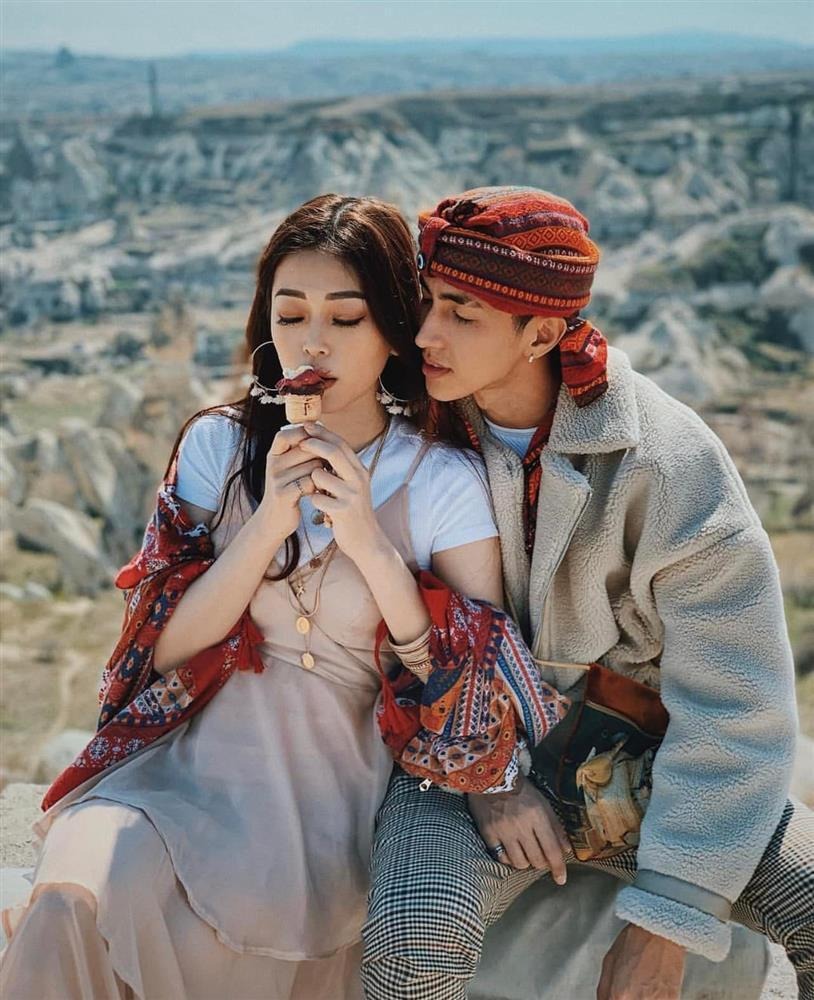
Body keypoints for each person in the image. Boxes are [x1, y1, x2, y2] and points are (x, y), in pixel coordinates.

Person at [0, 194, 568, 999]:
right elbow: (158, 647)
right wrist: (266, 523)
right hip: (179, 775)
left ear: (393, 329)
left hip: (325, 801)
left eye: (346, 318)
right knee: (69, 897)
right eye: (291, 314)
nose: (313, 341)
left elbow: (471, 679)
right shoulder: (219, 445)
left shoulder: (442, 480)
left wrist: (368, 541)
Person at [361, 187, 814, 1000]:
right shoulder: (409, 431)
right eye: (427, 300)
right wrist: (492, 781)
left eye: (462, 312)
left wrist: (666, 923)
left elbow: (737, 706)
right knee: (411, 941)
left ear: (541, 333)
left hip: (641, 763)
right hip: (460, 754)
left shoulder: (671, 466)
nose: (425, 333)